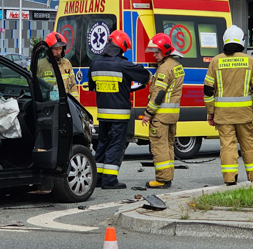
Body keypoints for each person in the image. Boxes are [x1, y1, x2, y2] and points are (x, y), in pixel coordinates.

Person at [203, 25, 253, 186]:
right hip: (245, 114)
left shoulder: (215, 61)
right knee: (249, 144)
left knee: (227, 146)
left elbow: (208, 90)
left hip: (223, 115)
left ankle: (230, 179)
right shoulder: (249, 61)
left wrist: (211, 112)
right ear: (241, 41)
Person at [88, 30, 150, 189]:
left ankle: (98, 178)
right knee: (116, 145)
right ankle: (110, 180)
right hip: (119, 115)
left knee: (102, 144)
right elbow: (144, 76)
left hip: (102, 114)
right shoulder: (123, 64)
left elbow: (93, 86)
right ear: (121, 48)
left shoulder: (95, 64)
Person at [141, 33, 185, 189]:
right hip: (172, 115)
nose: (154, 55)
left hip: (160, 115)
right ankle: (168, 176)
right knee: (168, 146)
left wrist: (147, 114)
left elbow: (158, 94)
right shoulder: (176, 66)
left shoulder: (163, 69)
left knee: (159, 146)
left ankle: (162, 179)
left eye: (157, 52)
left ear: (165, 51)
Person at [37, 32, 78, 98]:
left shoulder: (67, 63)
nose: (59, 52)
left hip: (64, 103)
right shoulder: (40, 65)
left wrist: (75, 103)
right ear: (49, 50)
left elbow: (73, 86)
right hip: (48, 103)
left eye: (60, 49)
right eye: (56, 49)